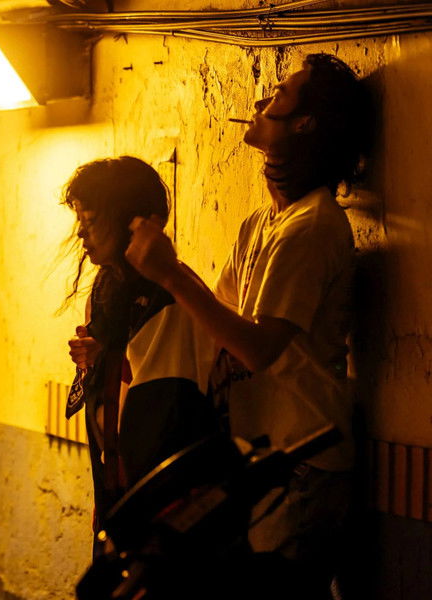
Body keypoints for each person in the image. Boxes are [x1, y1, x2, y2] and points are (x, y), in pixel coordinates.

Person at [124, 53, 372, 597]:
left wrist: (171, 273)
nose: (261, 101)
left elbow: (258, 349)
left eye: (280, 95)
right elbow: (216, 332)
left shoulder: (311, 227)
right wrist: (121, 355)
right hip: (264, 459)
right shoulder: (262, 223)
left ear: (304, 124)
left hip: (304, 459)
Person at [62, 156, 219, 555]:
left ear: (134, 223)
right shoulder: (109, 290)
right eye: (80, 219)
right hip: (124, 497)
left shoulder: (167, 297)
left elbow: (159, 423)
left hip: (165, 509)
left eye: (91, 220)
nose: (80, 233)